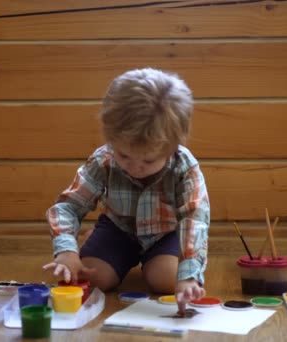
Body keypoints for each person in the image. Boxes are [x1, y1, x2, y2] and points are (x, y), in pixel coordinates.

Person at [42, 67, 210, 313]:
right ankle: (94, 242)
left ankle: (155, 261)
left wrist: (189, 275)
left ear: (173, 145)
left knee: (165, 280)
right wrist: (66, 249)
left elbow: (195, 220)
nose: (135, 167)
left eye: (149, 161)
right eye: (124, 156)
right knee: (95, 279)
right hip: (117, 229)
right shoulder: (104, 160)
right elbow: (68, 206)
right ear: (111, 138)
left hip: (164, 234)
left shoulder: (184, 167)